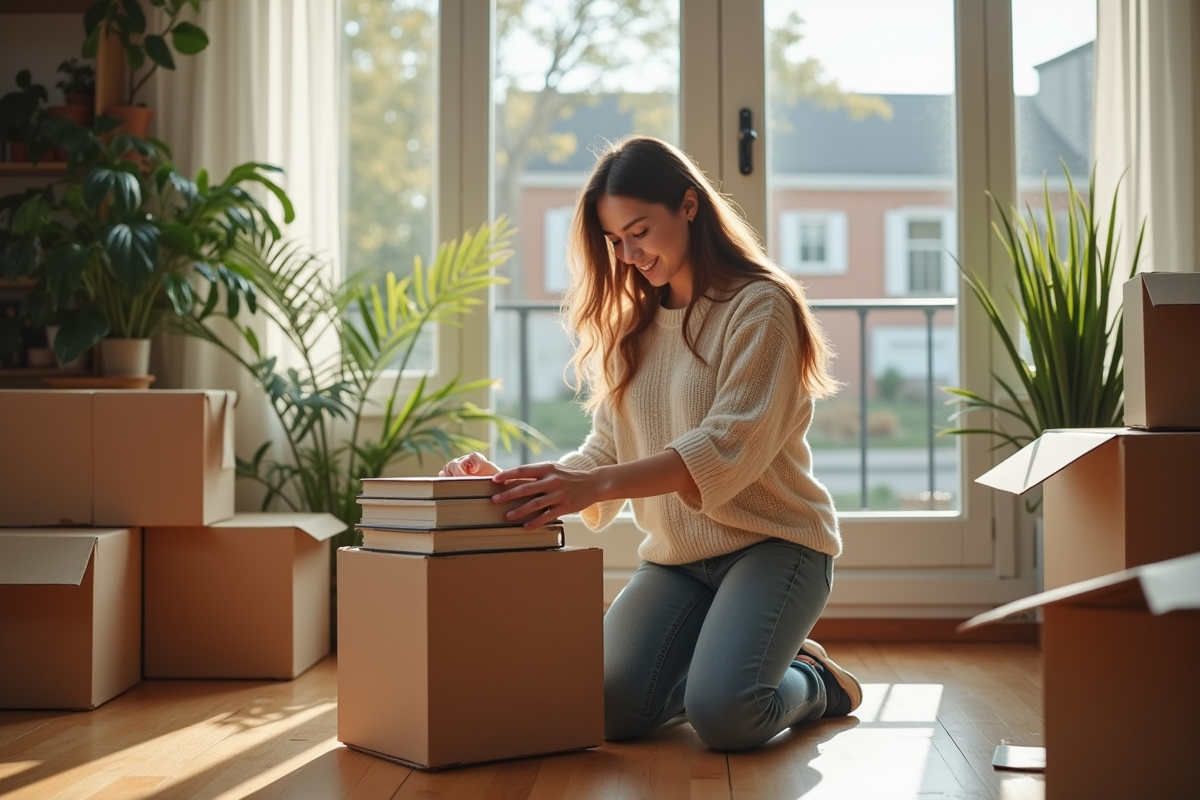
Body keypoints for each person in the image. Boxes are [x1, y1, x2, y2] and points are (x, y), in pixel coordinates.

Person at [440, 135, 861, 752]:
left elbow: (727, 445)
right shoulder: (633, 324)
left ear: (689, 206)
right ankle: (728, 660)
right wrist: (518, 481)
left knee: (726, 718)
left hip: (776, 543)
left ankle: (813, 678)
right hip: (678, 556)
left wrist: (593, 484)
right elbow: (607, 451)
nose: (629, 254)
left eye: (639, 231)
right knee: (610, 712)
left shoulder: (760, 306)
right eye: (615, 241)